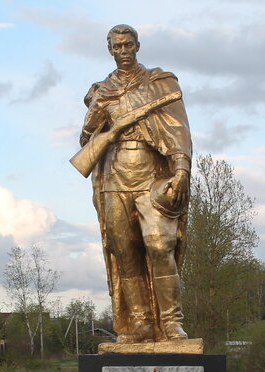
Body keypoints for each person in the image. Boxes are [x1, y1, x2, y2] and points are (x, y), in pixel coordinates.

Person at [80, 24, 192, 343]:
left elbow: (178, 128)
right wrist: (99, 121)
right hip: (114, 176)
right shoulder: (101, 91)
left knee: (159, 244)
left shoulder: (159, 83)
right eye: (117, 47)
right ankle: (141, 323)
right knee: (125, 251)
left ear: (137, 46)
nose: (123, 51)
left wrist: (181, 168)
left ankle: (170, 322)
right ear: (110, 50)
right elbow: (86, 140)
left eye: (128, 45)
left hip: (151, 174)